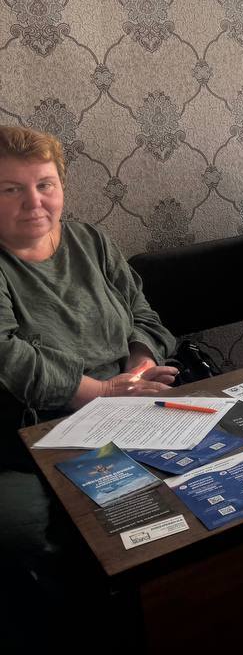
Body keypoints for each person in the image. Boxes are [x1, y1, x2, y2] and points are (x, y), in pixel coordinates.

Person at [0, 125, 179, 610]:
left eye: (45, 184)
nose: (33, 202)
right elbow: (7, 356)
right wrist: (100, 392)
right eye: (11, 189)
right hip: (34, 424)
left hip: (130, 399)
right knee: (53, 531)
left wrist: (140, 365)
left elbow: (144, 315)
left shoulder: (91, 240)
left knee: (207, 486)